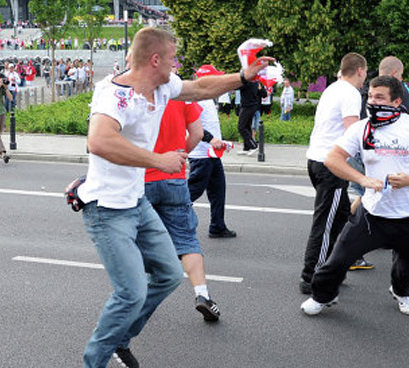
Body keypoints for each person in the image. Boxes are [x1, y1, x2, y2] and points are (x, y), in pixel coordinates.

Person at [76, 27, 271, 368]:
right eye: (172, 57)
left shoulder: (164, 86)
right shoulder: (113, 94)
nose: (176, 62)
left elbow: (201, 88)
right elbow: (100, 141)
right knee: (131, 292)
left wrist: (243, 76)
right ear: (155, 59)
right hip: (106, 210)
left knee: (167, 274)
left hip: (136, 202)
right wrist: (158, 160)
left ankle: (120, 338)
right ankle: (95, 361)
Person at [300, 76, 409, 316]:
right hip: (373, 212)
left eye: (380, 97)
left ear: (397, 101)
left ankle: (401, 291)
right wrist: (362, 180)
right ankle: (322, 296)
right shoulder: (362, 128)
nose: (373, 102)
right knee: (338, 259)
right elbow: (332, 159)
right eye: (370, 97)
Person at [144, 68, 221, 323]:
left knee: (138, 238)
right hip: (174, 178)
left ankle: (139, 293)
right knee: (187, 239)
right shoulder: (181, 94)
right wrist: (179, 155)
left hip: (141, 178)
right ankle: (202, 294)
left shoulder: (136, 90)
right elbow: (197, 134)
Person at [300, 52, 367, 295]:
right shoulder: (350, 93)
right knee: (325, 225)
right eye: (365, 73)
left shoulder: (333, 88)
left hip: (317, 160)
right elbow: (353, 132)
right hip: (330, 165)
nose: (365, 78)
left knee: (341, 219)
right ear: (359, 70)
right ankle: (311, 278)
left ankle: (333, 268)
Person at [188, 65, 237, 239]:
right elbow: (194, 126)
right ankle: (171, 219)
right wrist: (211, 139)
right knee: (192, 191)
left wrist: (220, 142)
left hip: (212, 153)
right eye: (215, 79)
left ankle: (217, 226)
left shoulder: (207, 98)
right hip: (201, 155)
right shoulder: (196, 98)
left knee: (218, 190)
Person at [237, 79, 266, 155]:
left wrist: (260, 89)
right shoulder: (255, 82)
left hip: (248, 107)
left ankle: (253, 146)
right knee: (247, 126)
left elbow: (264, 94)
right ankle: (246, 148)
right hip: (250, 106)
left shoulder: (247, 82)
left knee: (241, 127)